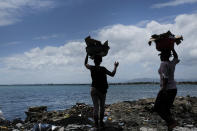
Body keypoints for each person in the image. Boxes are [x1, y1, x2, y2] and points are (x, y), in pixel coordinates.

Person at [84, 54, 119, 129]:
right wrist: (115, 66)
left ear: (94, 61)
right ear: (101, 61)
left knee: (96, 108)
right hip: (102, 91)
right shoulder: (103, 69)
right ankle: (101, 123)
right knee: (102, 107)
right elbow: (112, 74)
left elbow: (85, 64)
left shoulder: (92, 68)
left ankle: (96, 124)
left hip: (94, 90)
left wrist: (87, 54)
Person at [154, 48, 179, 131]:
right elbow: (176, 57)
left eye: (161, 55)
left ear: (165, 55)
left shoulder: (163, 64)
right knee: (166, 109)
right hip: (173, 89)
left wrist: (163, 90)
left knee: (157, 107)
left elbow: (165, 78)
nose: (160, 57)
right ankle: (170, 127)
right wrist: (172, 48)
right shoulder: (171, 63)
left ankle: (172, 122)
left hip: (167, 89)